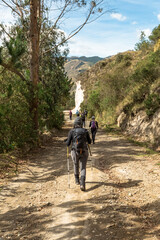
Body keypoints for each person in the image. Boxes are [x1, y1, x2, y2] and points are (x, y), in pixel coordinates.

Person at [66, 117, 91, 191]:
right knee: (83, 167)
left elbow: (68, 143)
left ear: (75, 124)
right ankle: (82, 183)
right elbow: (89, 142)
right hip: (84, 150)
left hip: (74, 151)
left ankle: (77, 180)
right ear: (81, 124)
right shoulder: (85, 131)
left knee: (75, 164)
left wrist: (67, 142)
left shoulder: (71, 131)